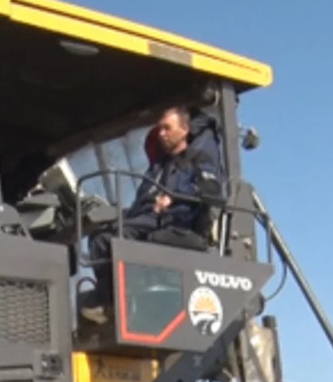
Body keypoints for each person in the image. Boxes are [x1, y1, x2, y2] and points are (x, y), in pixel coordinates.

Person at [79, 106, 224, 324]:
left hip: (177, 223)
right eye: (160, 129)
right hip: (149, 219)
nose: (162, 133)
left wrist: (174, 198)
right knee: (99, 235)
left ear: (185, 129)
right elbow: (141, 201)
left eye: (167, 128)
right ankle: (107, 299)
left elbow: (211, 191)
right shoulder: (157, 168)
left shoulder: (197, 159)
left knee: (118, 236)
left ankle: (115, 305)